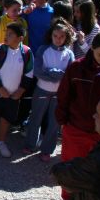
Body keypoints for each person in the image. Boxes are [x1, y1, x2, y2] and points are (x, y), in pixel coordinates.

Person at [56, 31, 100, 200]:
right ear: (92, 49)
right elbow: (64, 95)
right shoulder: (76, 68)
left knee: (99, 169)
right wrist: (62, 120)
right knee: (72, 165)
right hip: (76, 127)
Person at [0, 22, 34, 158]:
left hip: (13, 96)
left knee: (6, 120)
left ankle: (1, 142)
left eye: (10, 34)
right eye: (6, 33)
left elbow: (29, 74)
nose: (6, 36)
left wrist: (20, 91)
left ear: (20, 38)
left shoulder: (27, 52)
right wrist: (0, 88)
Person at [24, 21, 74, 162]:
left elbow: (69, 75)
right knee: (35, 118)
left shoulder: (69, 54)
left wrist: (54, 73)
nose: (58, 39)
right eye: (55, 36)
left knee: (54, 122)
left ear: (66, 37)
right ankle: (30, 144)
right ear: (51, 36)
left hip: (59, 94)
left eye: (62, 36)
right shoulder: (42, 49)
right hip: (41, 90)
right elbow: (38, 71)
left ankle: (47, 150)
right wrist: (56, 74)